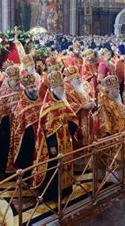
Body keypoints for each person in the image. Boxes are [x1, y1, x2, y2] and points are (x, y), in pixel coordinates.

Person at [31, 71, 79, 201]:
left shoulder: (61, 100)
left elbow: (71, 117)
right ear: (52, 88)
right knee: (55, 168)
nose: (62, 88)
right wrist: (51, 145)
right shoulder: (48, 106)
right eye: (60, 87)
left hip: (65, 140)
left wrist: (70, 127)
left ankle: (66, 189)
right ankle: (53, 193)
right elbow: (47, 129)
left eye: (63, 86)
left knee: (66, 164)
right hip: (54, 144)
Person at [0, 65, 23, 174]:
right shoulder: (2, 97)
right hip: (5, 132)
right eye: (15, 80)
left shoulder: (22, 90)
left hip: (20, 130)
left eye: (19, 79)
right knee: (4, 152)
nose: (18, 82)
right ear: (8, 79)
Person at [7, 70, 42, 174]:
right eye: (30, 88)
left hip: (40, 138)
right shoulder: (21, 107)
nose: (34, 89)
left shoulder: (39, 100)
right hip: (27, 141)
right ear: (25, 89)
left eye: (34, 86)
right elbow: (18, 130)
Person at [63, 65, 96, 146]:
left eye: (79, 78)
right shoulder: (66, 89)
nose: (80, 80)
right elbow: (67, 105)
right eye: (77, 79)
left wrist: (91, 102)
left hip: (86, 118)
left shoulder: (77, 86)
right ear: (71, 80)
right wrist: (82, 106)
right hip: (77, 121)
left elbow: (86, 97)